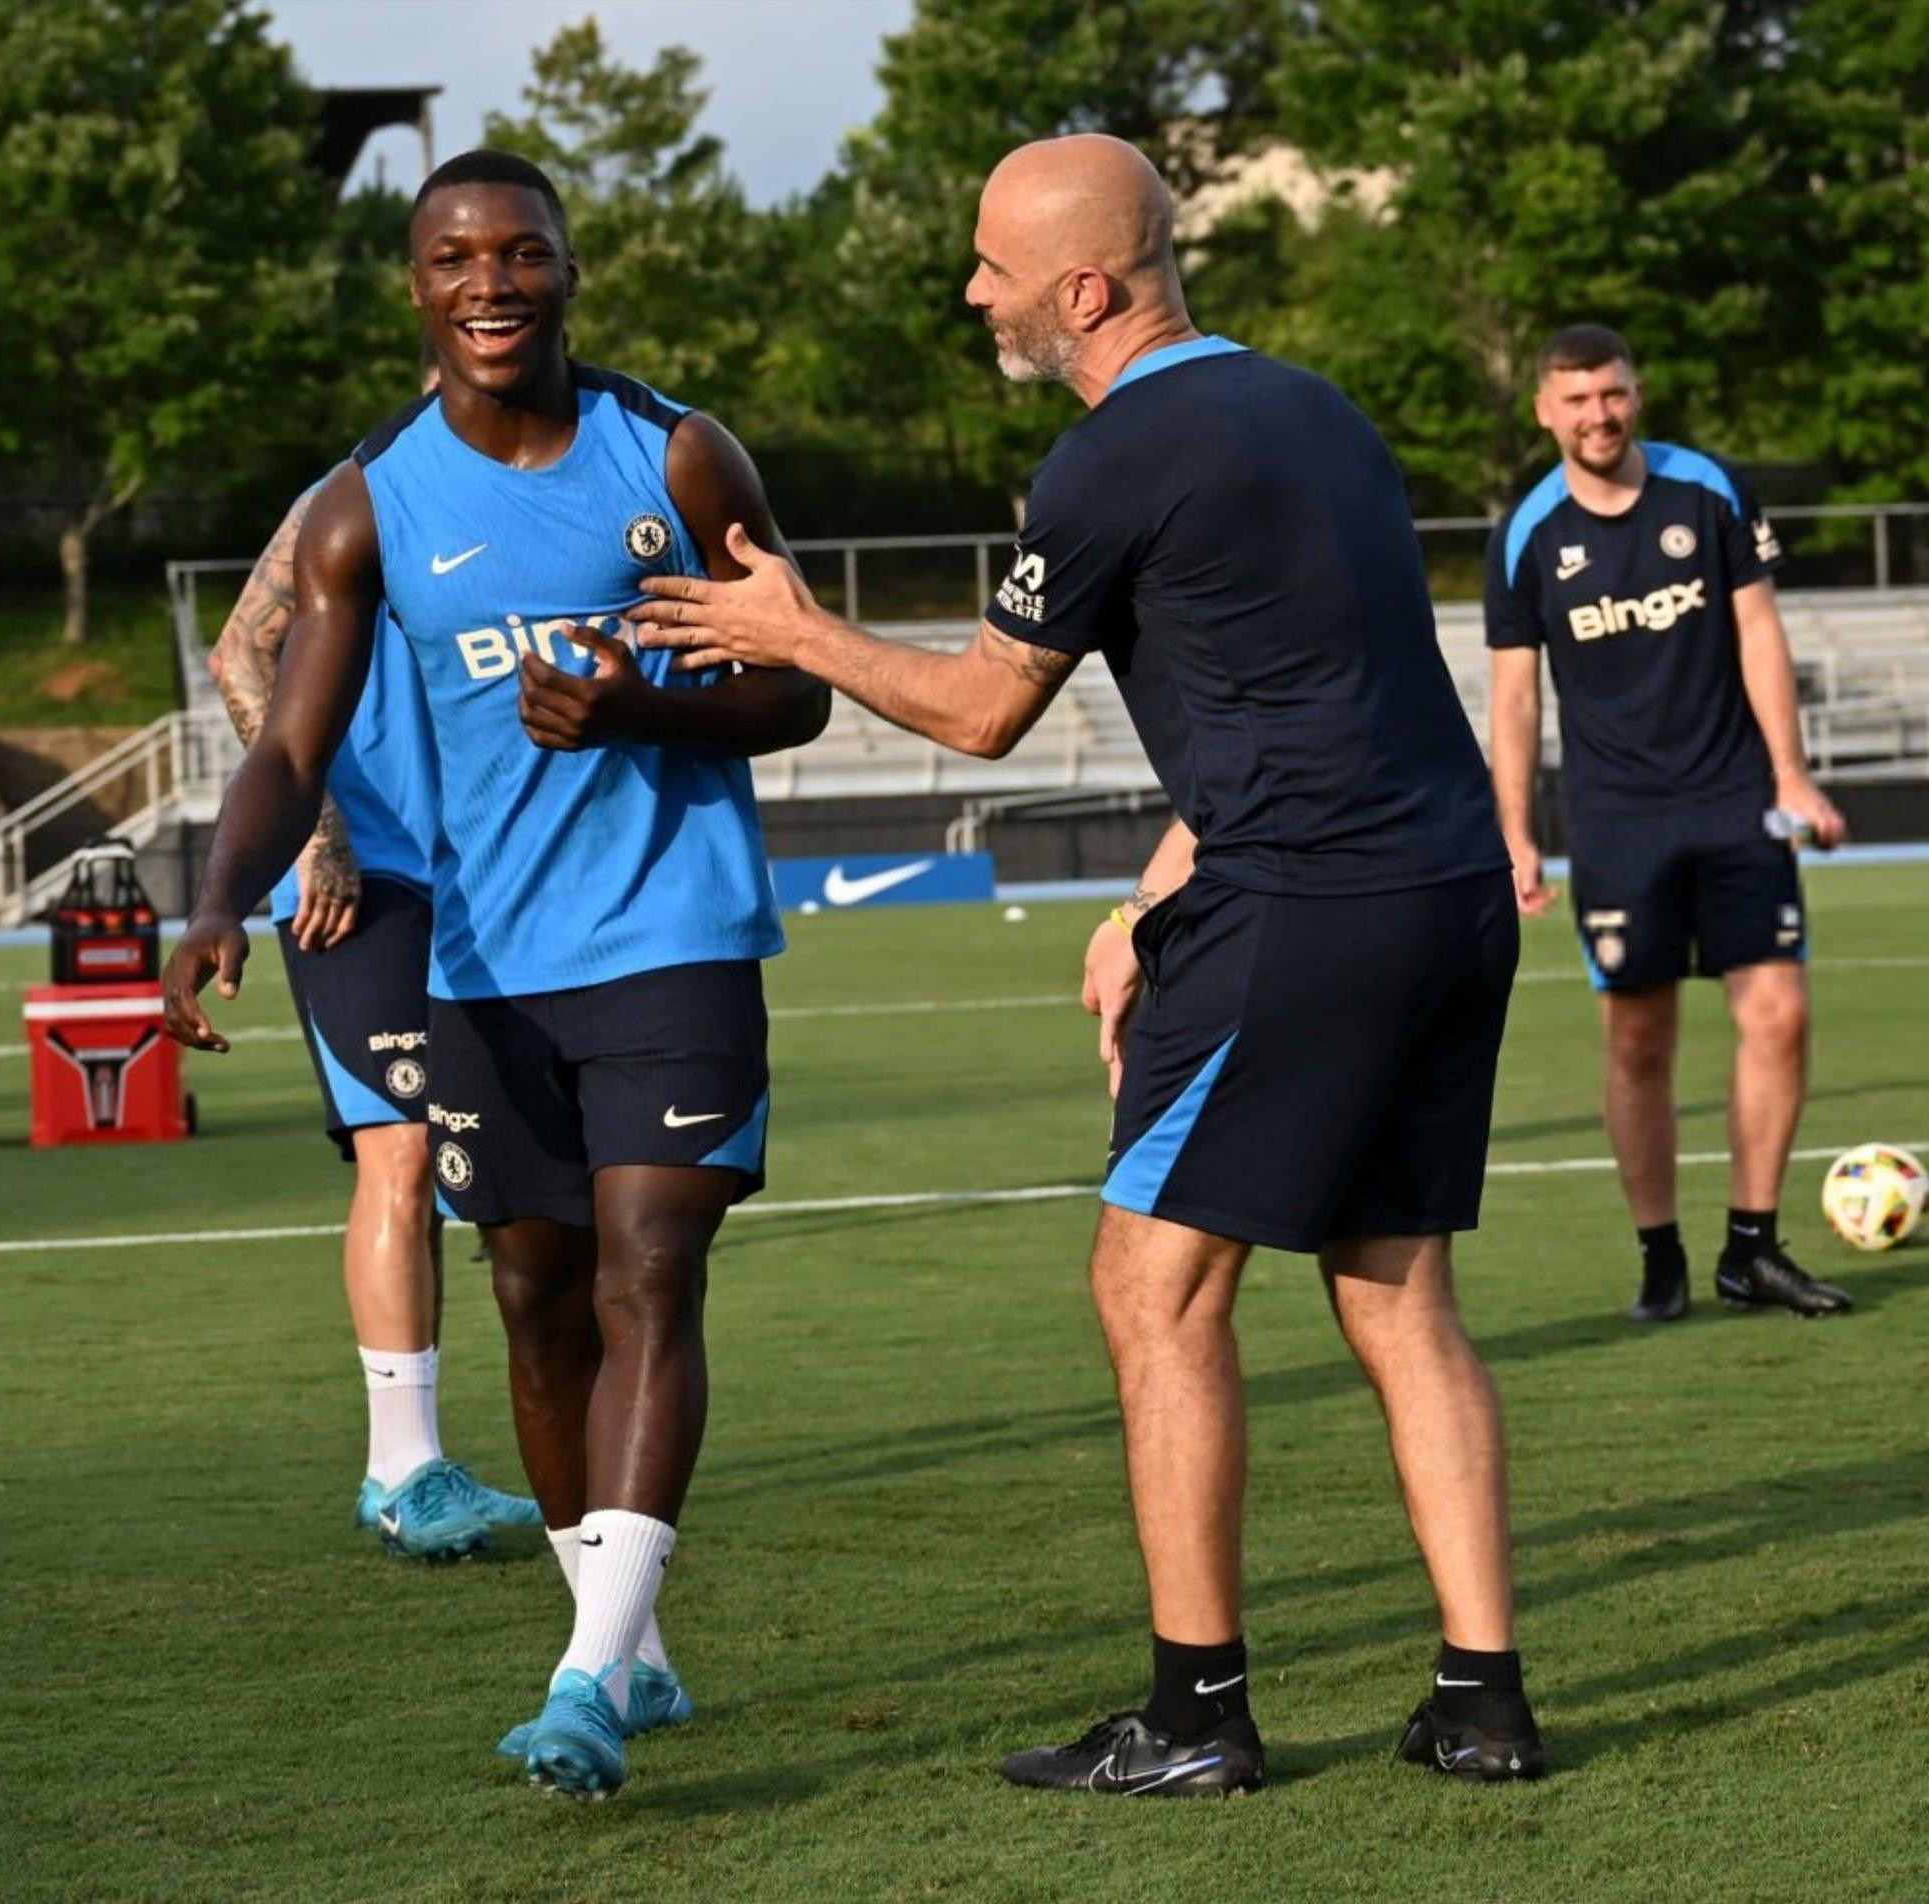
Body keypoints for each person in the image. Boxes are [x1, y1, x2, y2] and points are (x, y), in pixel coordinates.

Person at [631, 133, 1545, 1791]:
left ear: (1088, 288)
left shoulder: (1117, 454)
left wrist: (794, 629)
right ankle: (1482, 1693)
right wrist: (1146, 907)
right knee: (1398, 1288)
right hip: (1446, 886)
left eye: (992, 266)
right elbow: (1305, 693)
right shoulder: (1317, 411)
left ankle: (1195, 1712)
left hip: (1307, 907)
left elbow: (984, 712)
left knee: (1152, 1283)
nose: (972, 292)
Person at [164, 149, 829, 1799]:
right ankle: (632, 1635)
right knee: (534, 1299)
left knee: (646, 1267)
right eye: (455, 256)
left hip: (672, 934)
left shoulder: (672, 452)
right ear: (416, 284)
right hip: (482, 964)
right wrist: (219, 893)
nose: (490, 283)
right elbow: (291, 741)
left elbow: (801, 688)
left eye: (521, 253)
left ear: (569, 270)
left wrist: (643, 705)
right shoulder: (366, 506)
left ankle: (589, 1673)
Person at [210, 352, 541, 1563]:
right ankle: (400, 1468)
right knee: (397, 1148)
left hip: (491, 875)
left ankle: (443, 1455)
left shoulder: (541, 496)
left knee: (483, 1154)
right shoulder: (349, 495)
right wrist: (322, 830)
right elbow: (239, 656)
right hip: (361, 880)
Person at [1485, 323, 1852, 1323]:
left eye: (1610, 393)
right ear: (1543, 410)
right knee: (1638, 1040)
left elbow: (1757, 630)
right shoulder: (1525, 534)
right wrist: (1514, 830)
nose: (1596, 414)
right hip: (1616, 820)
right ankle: (1659, 1253)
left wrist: (1792, 774)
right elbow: (1514, 700)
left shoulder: (1707, 489)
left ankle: (1752, 1246)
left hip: (1735, 797)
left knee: (1777, 1014)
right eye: (1575, 399)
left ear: (1633, 393)